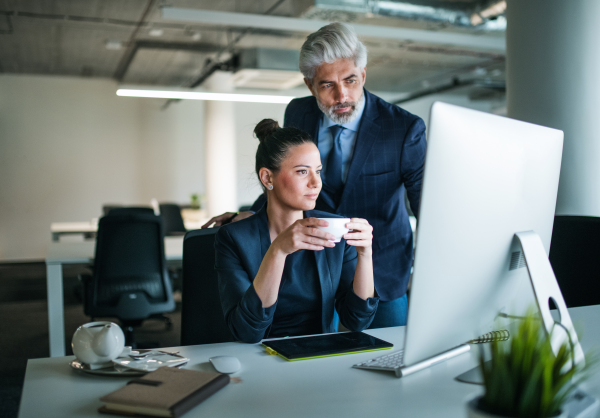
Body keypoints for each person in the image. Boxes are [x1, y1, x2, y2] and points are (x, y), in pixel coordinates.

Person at [204, 22, 426, 328]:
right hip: (316, 267)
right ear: (310, 85)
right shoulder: (299, 112)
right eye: (327, 85)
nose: (342, 95)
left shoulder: (403, 129)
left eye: (350, 80)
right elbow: (287, 174)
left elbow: (428, 207)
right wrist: (253, 215)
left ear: (362, 75)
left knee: (386, 359)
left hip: (378, 269)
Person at [215, 119, 378, 343]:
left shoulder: (334, 229)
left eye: (318, 172)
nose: (315, 183)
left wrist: (365, 254)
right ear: (267, 177)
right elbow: (247, 332)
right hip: (258, 359)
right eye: (302, 171)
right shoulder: (234, 238)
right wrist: (278, 250)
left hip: (318, 356)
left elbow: (357, 320)